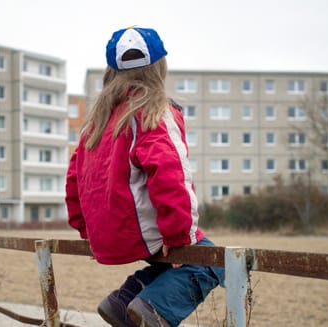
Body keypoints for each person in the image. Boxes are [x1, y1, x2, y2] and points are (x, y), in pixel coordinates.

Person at [65, 26, 225, 327]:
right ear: (159, 66)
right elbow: (170, 174)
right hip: (141, 233)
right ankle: (152, 308)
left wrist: (87, 231)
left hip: (107, 237)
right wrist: (179, 237)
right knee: (214, 261)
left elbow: (74, 180)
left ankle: (123, 302)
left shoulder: (96, 122)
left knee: (179, 265)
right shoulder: (154, 110)